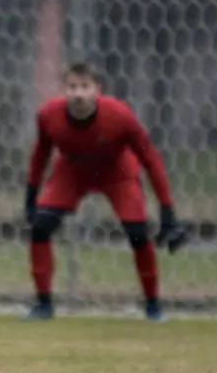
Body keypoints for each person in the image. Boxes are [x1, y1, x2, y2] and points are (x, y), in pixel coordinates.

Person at [24, 62, 187, 321]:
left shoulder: (120, 116)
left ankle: (153, 305)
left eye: (85, 86)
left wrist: (167, 208)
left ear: (97, 90)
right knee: (40, 226)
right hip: (72, 171)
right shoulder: (48, 116)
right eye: (72, 87)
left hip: (117, 173)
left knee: (137, 234)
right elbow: (40, 154)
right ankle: (43, 304)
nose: (78, 94)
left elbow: (150, 158)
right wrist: (31, 195)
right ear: (63, 90)